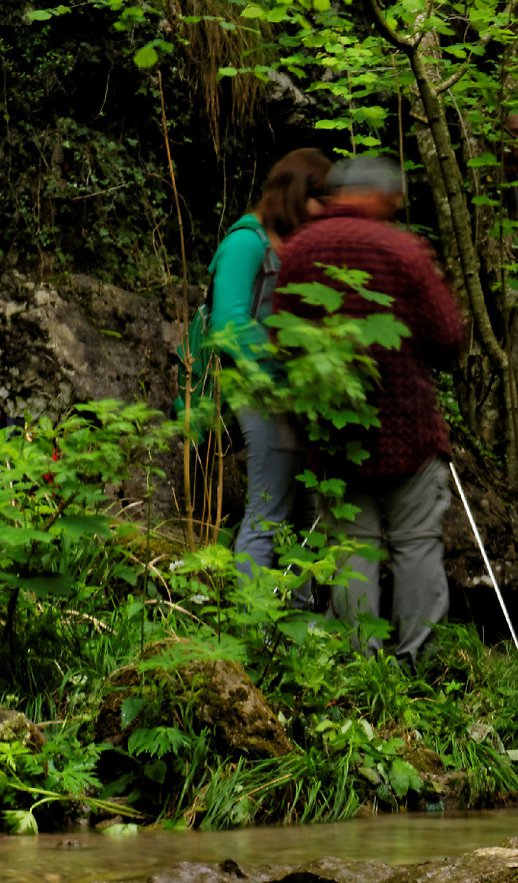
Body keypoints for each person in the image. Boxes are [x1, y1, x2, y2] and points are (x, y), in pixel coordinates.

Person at [274, 154, 467, 662]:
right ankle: (417, 664)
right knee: (417, 544)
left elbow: (282, 339)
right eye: (395, 197)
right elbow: (449, 338)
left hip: (333, 431)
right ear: (377, 196)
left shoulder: (299, 250)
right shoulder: (403, 249)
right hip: (409, 429)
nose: (398, 206)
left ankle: (362, 666)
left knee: (351, 551)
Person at [209, 147, 331, 576]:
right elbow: (227, 325)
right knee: (267, 516)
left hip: (285, 397)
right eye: (323, 203)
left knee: (302, 518)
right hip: (253, 393)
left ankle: (291, 624)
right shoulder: (246, 243)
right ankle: (251, 629)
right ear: (299, 195)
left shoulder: (289, 251)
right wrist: (284, 367)